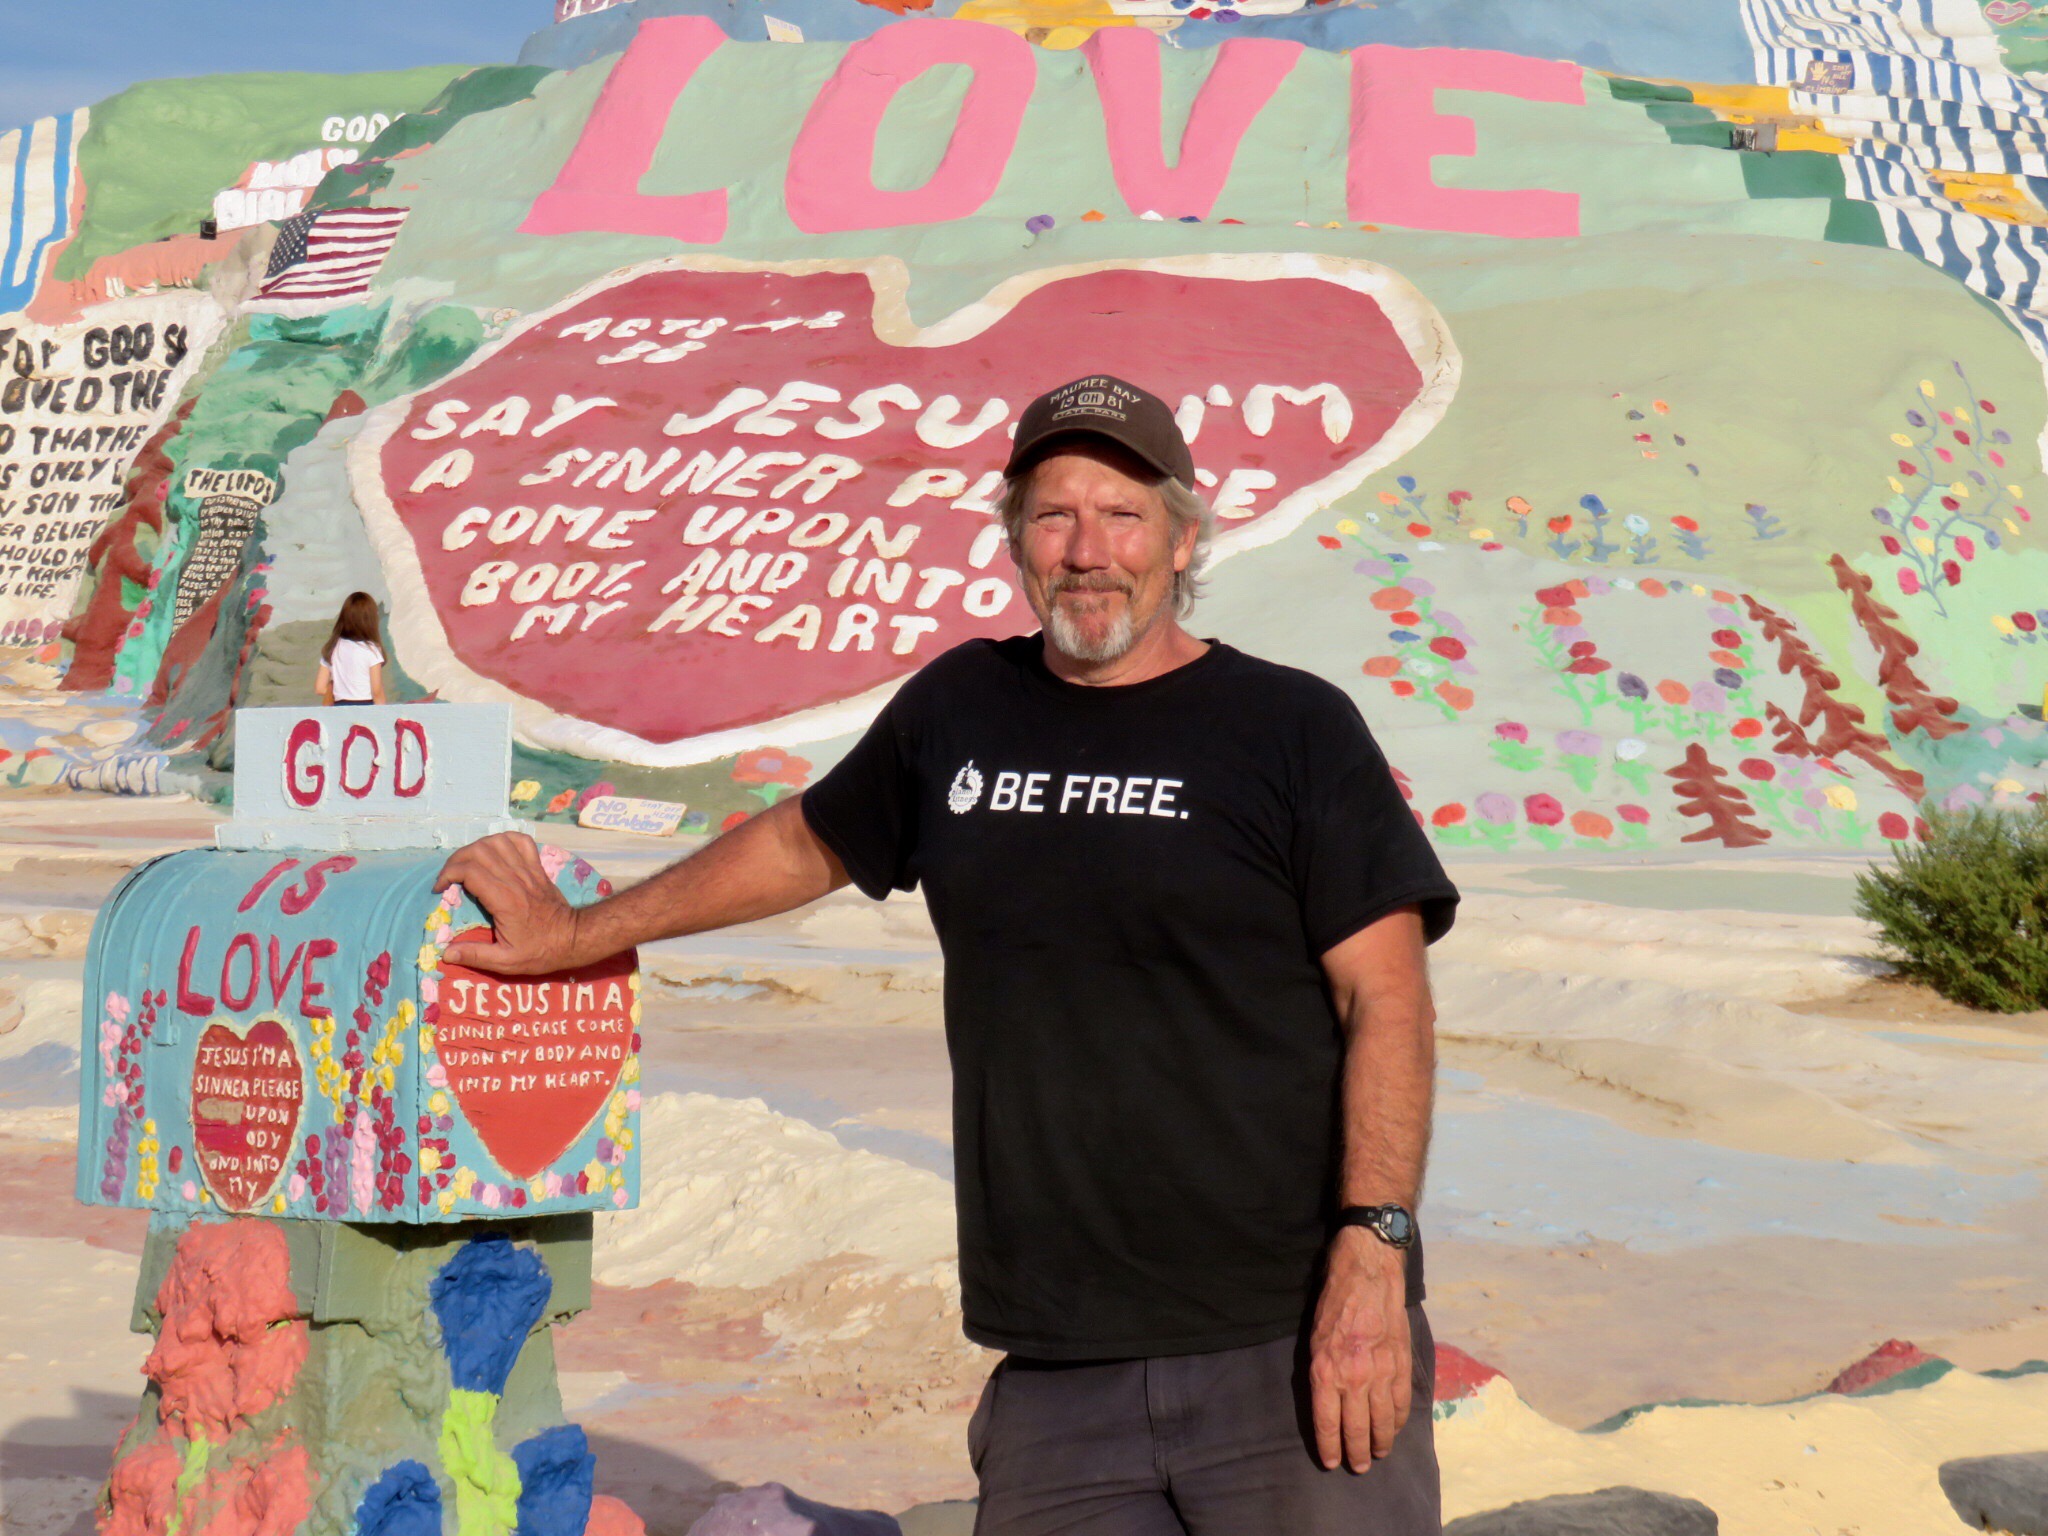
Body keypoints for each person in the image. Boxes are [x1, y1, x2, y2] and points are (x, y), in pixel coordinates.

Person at [436, 375, 1460, 1534]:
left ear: (1182, 540)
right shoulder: (963, 706)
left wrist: (1373, 1248)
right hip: (1056, 1370)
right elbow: (803, 842)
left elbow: (1387, 1002)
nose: (1087, 551)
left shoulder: (1291, 728)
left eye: (1121, 515)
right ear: (1015, 539)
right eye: (1053, 515)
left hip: (1284, 1344)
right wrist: (578, 934)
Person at [316, 591, 387, 706]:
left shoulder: (333, 647)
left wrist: (336, 688)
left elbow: (319, 688)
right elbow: (377, 692)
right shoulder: (372, 650)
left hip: (340, 707)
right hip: (365, 707)